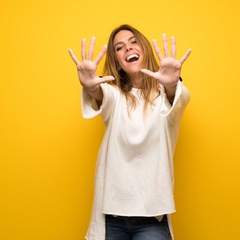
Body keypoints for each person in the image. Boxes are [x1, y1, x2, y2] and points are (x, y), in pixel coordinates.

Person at [68, 24, 191, 240]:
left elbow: (177, 99)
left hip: (152, 219)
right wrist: (90, 86)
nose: (128, 48)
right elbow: (100, 94)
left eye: (133, 42)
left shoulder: (167, 97)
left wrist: (172, 85)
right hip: (111, 218)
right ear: (116, 61)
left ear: (144, 48)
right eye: (119, 47)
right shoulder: (113, 95)